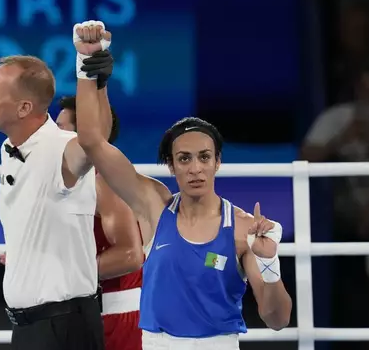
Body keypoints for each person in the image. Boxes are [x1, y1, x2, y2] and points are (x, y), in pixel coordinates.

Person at [73, 64, 293, 348]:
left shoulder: (243, 229)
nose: (196, 169)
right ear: (171, 165)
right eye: (185, 159)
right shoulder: (153, 206)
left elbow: (277, 319)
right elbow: (92, 142)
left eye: (204, 157)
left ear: (217, 162)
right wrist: (91, 76)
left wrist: (269, 264)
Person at [0, 20, 115, 350]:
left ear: (24, 108)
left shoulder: (61, 149)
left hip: (63, 328)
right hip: (31, 328)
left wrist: (87, 69)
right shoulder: (10, 149)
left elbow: (94, 140)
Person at [56, 95, 144, 350]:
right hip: (83, 309)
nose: (51, 135)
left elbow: (130, 255)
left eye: (60, 128)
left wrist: (58, 275)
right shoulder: (71, 182)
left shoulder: (103, 180)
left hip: (116, 317)